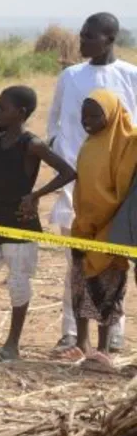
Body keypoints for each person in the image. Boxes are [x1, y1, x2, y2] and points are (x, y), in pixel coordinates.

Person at [0, 86, 75, 361]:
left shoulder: (32, 144)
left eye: (4, 108)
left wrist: (36, 195)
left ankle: (12, 345)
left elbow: (68, 172)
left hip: (20, 225)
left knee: (18, 283)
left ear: (20, 113)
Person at [47, 13, 137, 354]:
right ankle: (71, 333)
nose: (81, 42)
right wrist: (62, 155)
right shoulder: (70, 76)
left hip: (118, 189)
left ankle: (114, 332)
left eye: (89, 37)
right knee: (76, 260)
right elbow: (55, 121)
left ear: (109, 38)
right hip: (74, 181)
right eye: (82, 35)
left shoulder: (130, 76)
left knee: (114, 260)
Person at [63, 90, 137, 368]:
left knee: (108, 288)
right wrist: (84, 222)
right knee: (80, 285)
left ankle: (104, 349)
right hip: (84, 225)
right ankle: (82, 343)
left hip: (112, 226)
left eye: (95, 115)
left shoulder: (129, 144)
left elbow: (117, 193)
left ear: (112, 114)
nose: (87, 121)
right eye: (84, 115)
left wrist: (99, 218)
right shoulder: (89, 144)